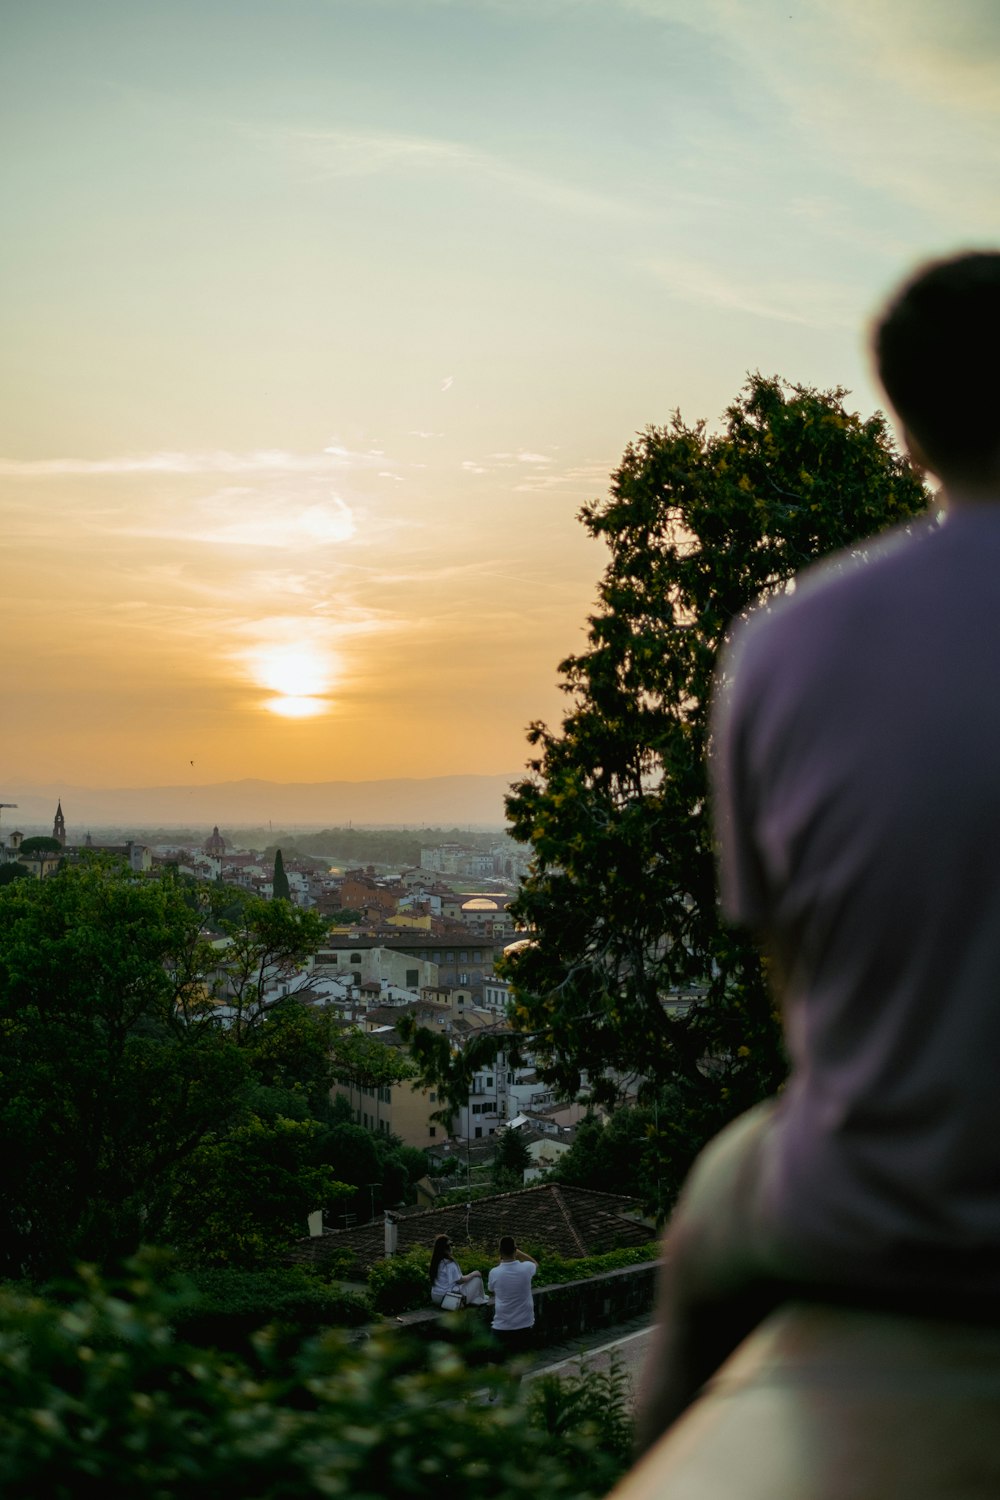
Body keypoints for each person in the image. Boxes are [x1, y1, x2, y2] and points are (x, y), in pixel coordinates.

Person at [637, 250, 1000, 1452]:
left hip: (887, 1213)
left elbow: (797, 980)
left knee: (703, 1223)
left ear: (907, 427)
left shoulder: (786, 643)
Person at [487, 1235, 538, 1359]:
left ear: (500, 1251)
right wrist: (519, 1252)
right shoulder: (526, 1268)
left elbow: (492, 1290)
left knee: (494, 1361)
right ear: (515, 1250)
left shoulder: (494, 1272)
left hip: (502, 1324)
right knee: (517, 1362)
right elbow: (535, 1263)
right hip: (524, 1323)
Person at [428, 1234, 487, 1307]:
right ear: (445, 1249)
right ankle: (481, 1298)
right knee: (477, 1278)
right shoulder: (449, 1263)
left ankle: (479, 1298)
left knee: (467, 1282)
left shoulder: (435, 1262)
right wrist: (473, 1274)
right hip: (448, 1299)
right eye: (449, 1246)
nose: (451, 1248)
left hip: (435, 1297)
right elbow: (460, 1280)